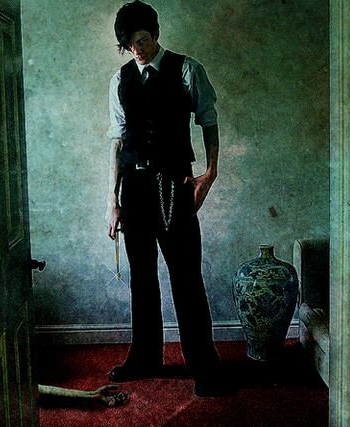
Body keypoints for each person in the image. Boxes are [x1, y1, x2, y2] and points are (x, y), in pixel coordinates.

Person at [106, 0, 222, 397]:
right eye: (129, 44)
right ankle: (145, 358)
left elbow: (209, 120)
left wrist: (210, 172)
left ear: (155, 33)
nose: (137, 50)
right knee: (141, 277)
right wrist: (112, 200)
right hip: (134, 188)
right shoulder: (119, 80)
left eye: (142, 40)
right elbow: (118, 142)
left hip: (175, 183)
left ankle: (205, 367)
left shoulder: (187, 69)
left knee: (186, 277)